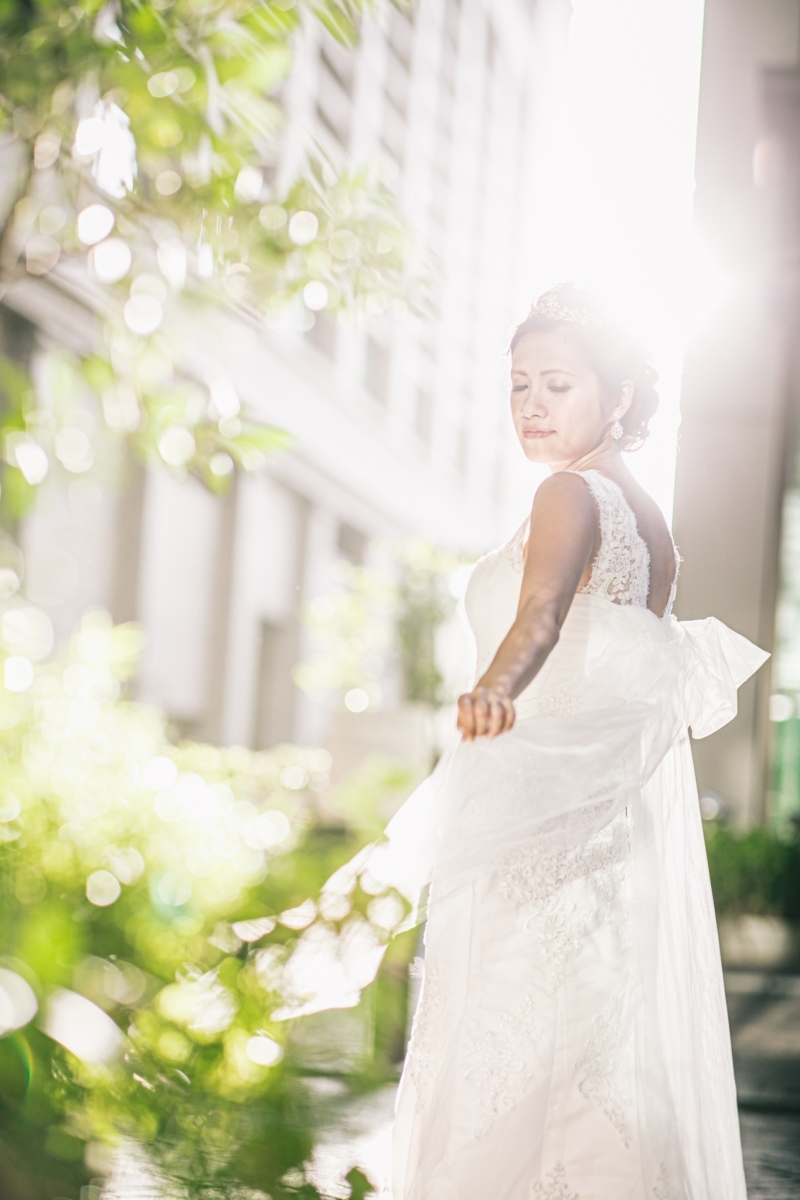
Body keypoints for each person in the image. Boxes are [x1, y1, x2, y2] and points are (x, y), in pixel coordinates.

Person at [383, 285, 768, 1200]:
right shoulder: (650, 521)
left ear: (619, 395)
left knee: (508, 1055)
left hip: (531, 824)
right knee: (583, 1061)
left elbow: (543, 614)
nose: (531, 405)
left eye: (557, 385)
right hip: (597, 834)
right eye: (519, 385)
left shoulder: (569, 492)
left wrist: (492, 690)